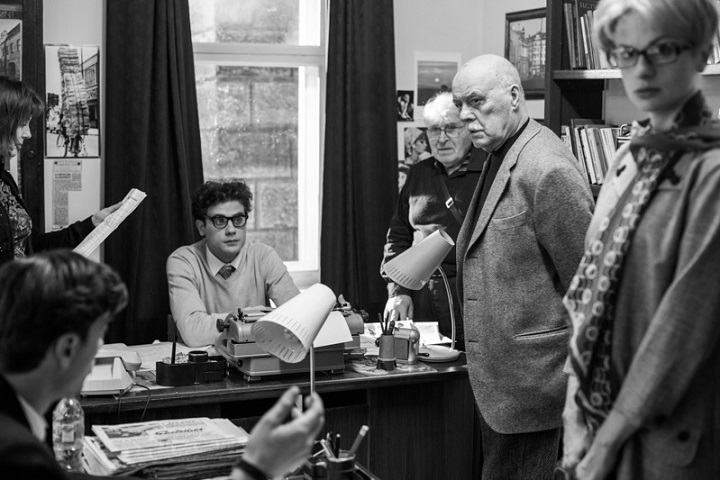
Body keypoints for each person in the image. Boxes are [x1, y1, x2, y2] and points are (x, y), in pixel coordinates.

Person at [561, 1, 720, 479]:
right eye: (627, 53)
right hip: (595, 416)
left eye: (663, 49)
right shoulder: (631, 155)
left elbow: (681, 328)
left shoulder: (711, 171)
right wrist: (573, 413)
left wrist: (607, 442)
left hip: (665, 434)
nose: (642, 69)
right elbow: (588, 291)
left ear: (701, 52)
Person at [0, 250, 325, 479]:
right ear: (67, 348)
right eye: (99, 336)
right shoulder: (17, 456)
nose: (100, 349)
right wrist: (255, 467)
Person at [452, 55, 594, 479]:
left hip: (537, 389)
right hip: (503, 386)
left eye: (476, 100)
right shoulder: (502, 151)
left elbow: (591, 286)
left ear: (514, 96)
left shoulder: (547, 166)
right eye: (460, 104)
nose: (465, 115)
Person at [382, 92, 486, 351]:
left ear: (468, 127)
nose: (441, 138)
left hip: (472, 299)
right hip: (421, 299)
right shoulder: (419, 173)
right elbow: (398, 236)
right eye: (434, 130)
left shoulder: (488, 172)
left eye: (451, 128)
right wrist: (398, 291)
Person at [0, 76, 119, 267]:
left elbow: (33, 245)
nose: (28, 133)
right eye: (23, 124)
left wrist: (92, 224)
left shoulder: (5, 180)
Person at [167, 179, 300, 347]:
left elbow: (299, 318)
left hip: (256, 358)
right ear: (201, 227)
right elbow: (193, 331)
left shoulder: (263, 256)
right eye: (220, 221)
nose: (231, 230)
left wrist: (233, 324)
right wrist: (263, 321)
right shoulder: (183, 261)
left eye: (238, 219)